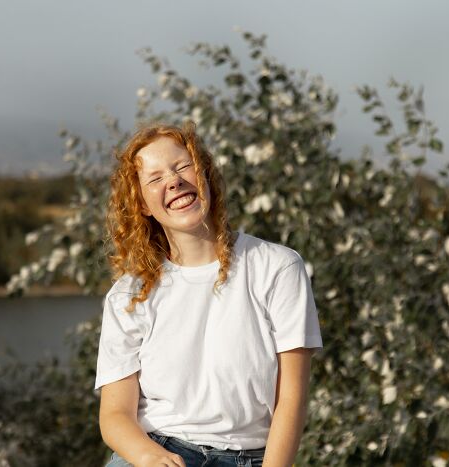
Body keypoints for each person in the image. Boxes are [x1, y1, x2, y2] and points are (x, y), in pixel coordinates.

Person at [95, 122, 323, 467]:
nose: (173, 181)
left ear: (206, 175)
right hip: (159, 449)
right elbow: (114, 414)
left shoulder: (278, 268)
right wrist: (151, 458)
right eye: (154, 178)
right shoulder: (129, 295)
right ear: (141, 204)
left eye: (182, 166)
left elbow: (292, 398)